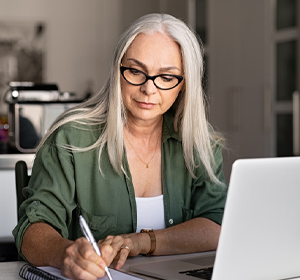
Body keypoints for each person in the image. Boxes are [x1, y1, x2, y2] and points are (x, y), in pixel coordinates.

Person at [13, 13, 227, 280]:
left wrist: (142, 241)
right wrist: (64, 253)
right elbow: (32, 230)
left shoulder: (199, 142)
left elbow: (217, 225)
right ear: (118, 70)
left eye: (167, 77)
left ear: (184, 85)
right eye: (136, 71)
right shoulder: (70, 138)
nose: (149, 89)